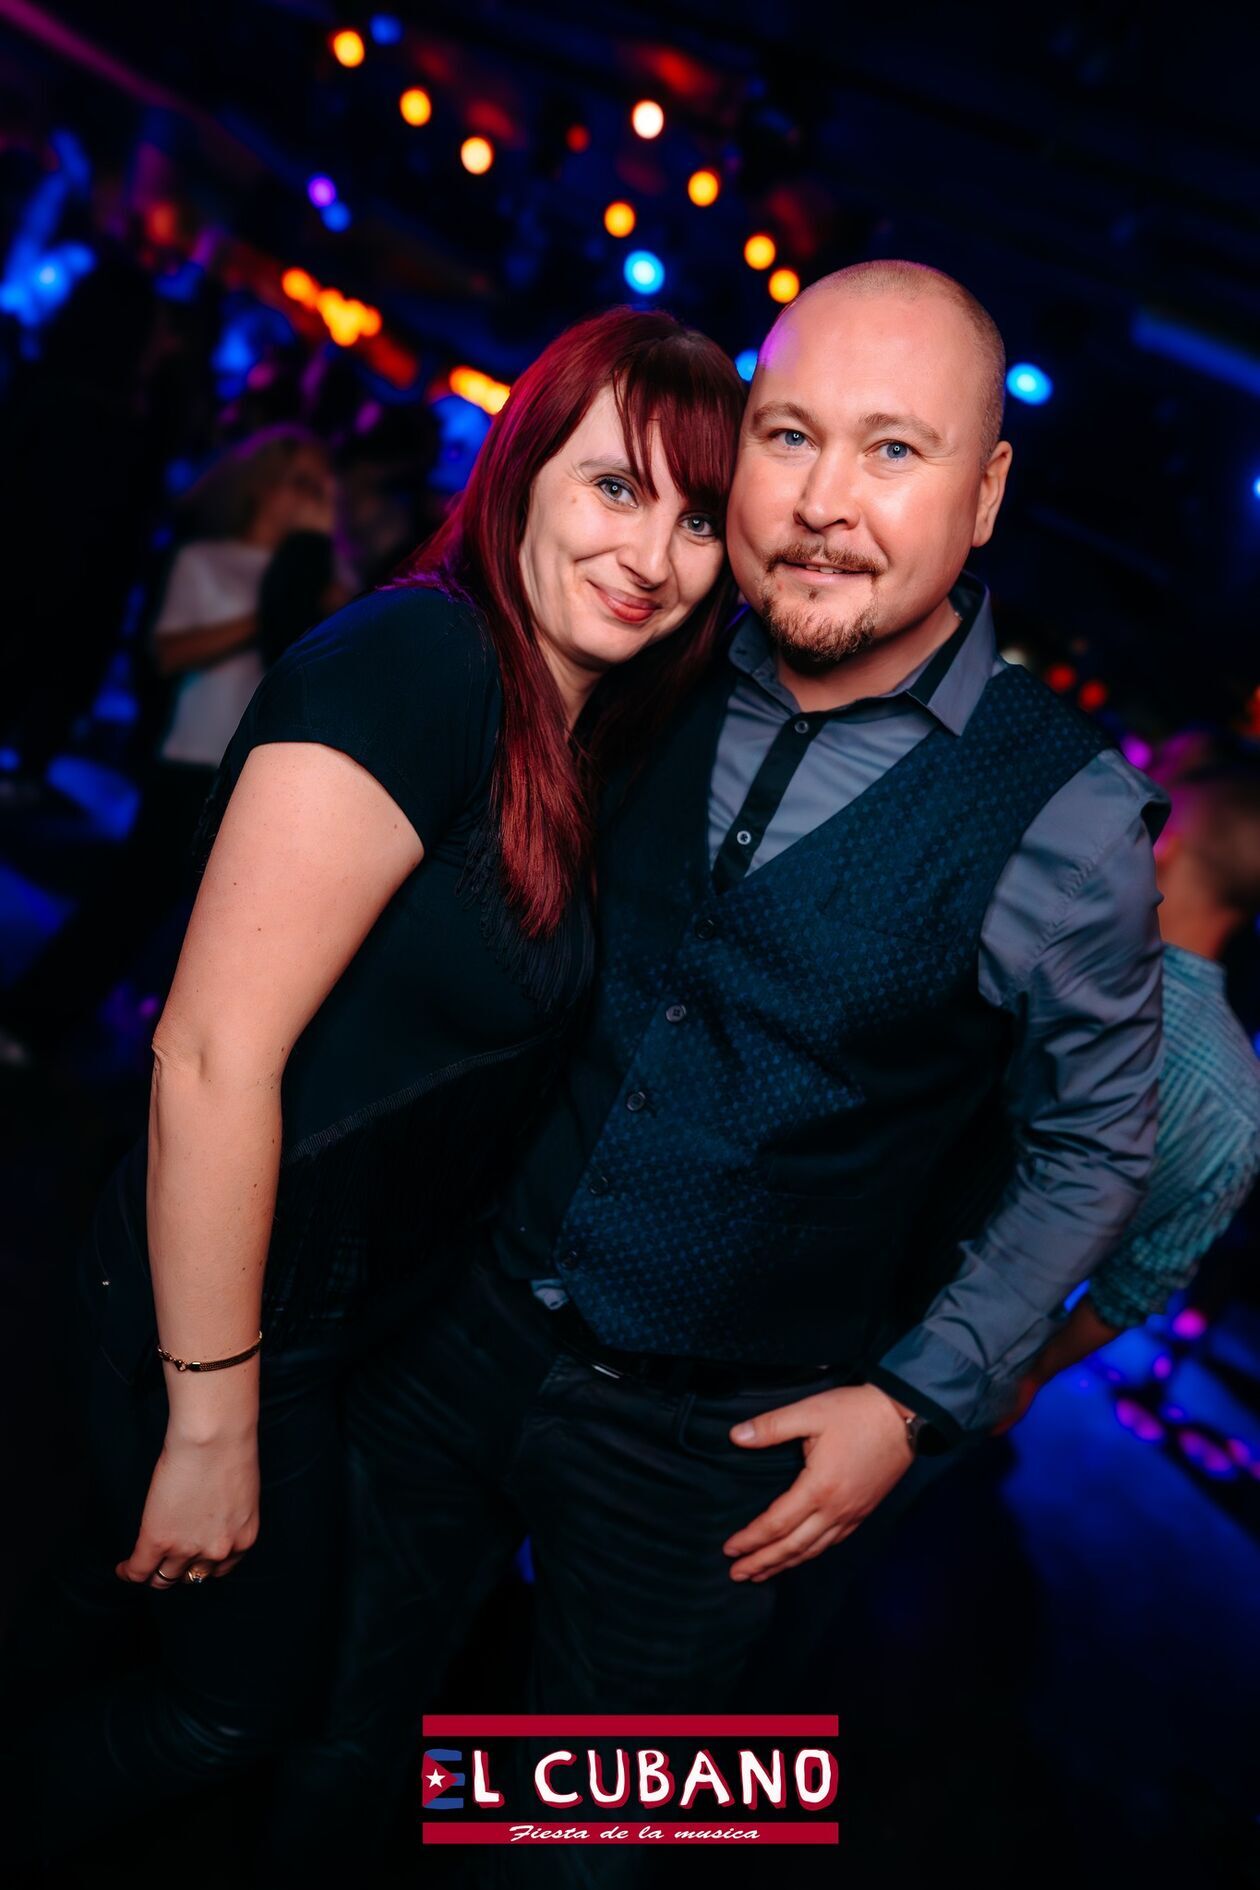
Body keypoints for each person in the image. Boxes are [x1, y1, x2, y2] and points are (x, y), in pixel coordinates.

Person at [265, 260, 1168, 1871]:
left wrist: (917, 1399)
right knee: (329, 1728)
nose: (824, 503)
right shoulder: (655, 648)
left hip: (717, 1449)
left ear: (985, 493)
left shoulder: (1069, 811)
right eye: (789, 434)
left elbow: (1099, 1145)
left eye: (894, 451)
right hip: (465, 1319)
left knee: (575, 1836)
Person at [4, 306, 743, 1864]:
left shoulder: (560, 719)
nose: (653, 555)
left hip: (306, 1311)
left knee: (89, 1600)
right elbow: (210, 1053)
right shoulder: (422, 662)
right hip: (213, 1306)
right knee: (230, 1703)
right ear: (523, 467)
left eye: (697, 520)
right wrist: (214, 1417)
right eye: (618, 486)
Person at [0, 426, 343, 1064]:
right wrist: (267, 613)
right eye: (299, 483)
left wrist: (314, 561)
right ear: (263, 485)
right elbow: (168, 651)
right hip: (192, 756)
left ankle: (152, 1051)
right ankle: (30, 1022)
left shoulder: (323, 580)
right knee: (126, 903)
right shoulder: (207, 558)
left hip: (266, 774)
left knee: (214, 928)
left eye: (321, 488)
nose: (308, 498)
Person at [993, 744, 1260, 1425]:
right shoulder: (1241, 1110)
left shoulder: (1038, 950)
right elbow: (1136, 1284)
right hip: (980, 1361)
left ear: (1164, 847)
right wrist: (1032, 1375)